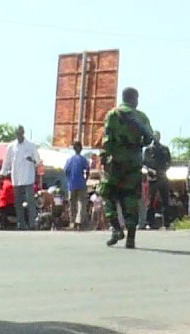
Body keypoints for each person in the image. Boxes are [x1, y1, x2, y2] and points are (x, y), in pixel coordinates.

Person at [99, 88, 154, 248]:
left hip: (116, 161)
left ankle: (116, 228)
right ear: (134, 99)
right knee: (131, 198)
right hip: (134, 162)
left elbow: (107, 139)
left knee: (107, 194)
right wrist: (137, 146)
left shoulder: (113, 114)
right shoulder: (141, 117)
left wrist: (106, 157)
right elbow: (149, 138)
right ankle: (131, 237)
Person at [0, 125, 41, 230]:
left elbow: (38, 162)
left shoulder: (31, 146)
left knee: (30, 201)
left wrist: (31, 160)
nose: (19, 135)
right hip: (16, 178)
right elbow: (7, 161)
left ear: (23, 133)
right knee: (18, 203)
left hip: (28, 177)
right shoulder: (11, 146)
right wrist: (3, 172)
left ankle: (32, 223)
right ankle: (21, 223)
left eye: (20, 133)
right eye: (17, 133)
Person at [143, 134, 173, 230]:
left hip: (163, 176)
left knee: (165, 201)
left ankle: (167, 223)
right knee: (151, 201)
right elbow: (143, 164)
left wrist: (164, 170)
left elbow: (169, 161)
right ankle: (149, 223)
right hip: (152, 177)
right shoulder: (148, 150)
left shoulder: (164, 149)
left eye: (158, 136)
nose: (157, 138)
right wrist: (150, 170)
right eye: (155, 136)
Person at [63, 141, 91, 230]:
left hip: (71, 184)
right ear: (81, 149)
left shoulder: (69, 160)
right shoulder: (83, 159)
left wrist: (69, 179)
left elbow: (66, 171)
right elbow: (87, 170)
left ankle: (72, 222)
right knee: (81, 204)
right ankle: (79, 222)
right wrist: (85, 179)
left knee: (72, 204)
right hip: (81, 184)